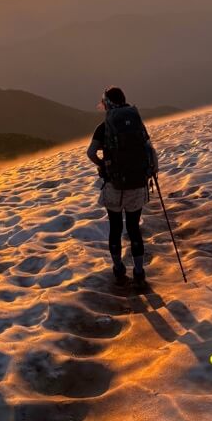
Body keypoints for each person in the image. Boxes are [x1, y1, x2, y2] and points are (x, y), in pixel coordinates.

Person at [87, 86, 158, 286]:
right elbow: (149, 149)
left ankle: (118, 269)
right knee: (134, 227)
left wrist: (103, 166)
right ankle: (139, 271)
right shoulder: (136, 122)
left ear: (107, 104)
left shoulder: (104, 127)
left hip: (114, 187)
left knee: (116, 227)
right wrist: (152, 171)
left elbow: (90, 153)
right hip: (137, 185)